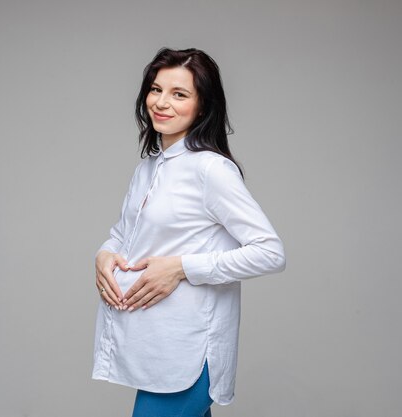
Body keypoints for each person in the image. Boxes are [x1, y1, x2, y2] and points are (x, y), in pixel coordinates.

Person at [92, 47, 286, 417]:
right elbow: (123, 233)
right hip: (153, 349)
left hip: (191, 352)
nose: (161, 103)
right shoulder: (148, 168)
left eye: (179, 94)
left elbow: (270, 251)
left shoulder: (211, 170)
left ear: (203, 105)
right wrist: (104, 253)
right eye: (155, 89)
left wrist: (181, 267)